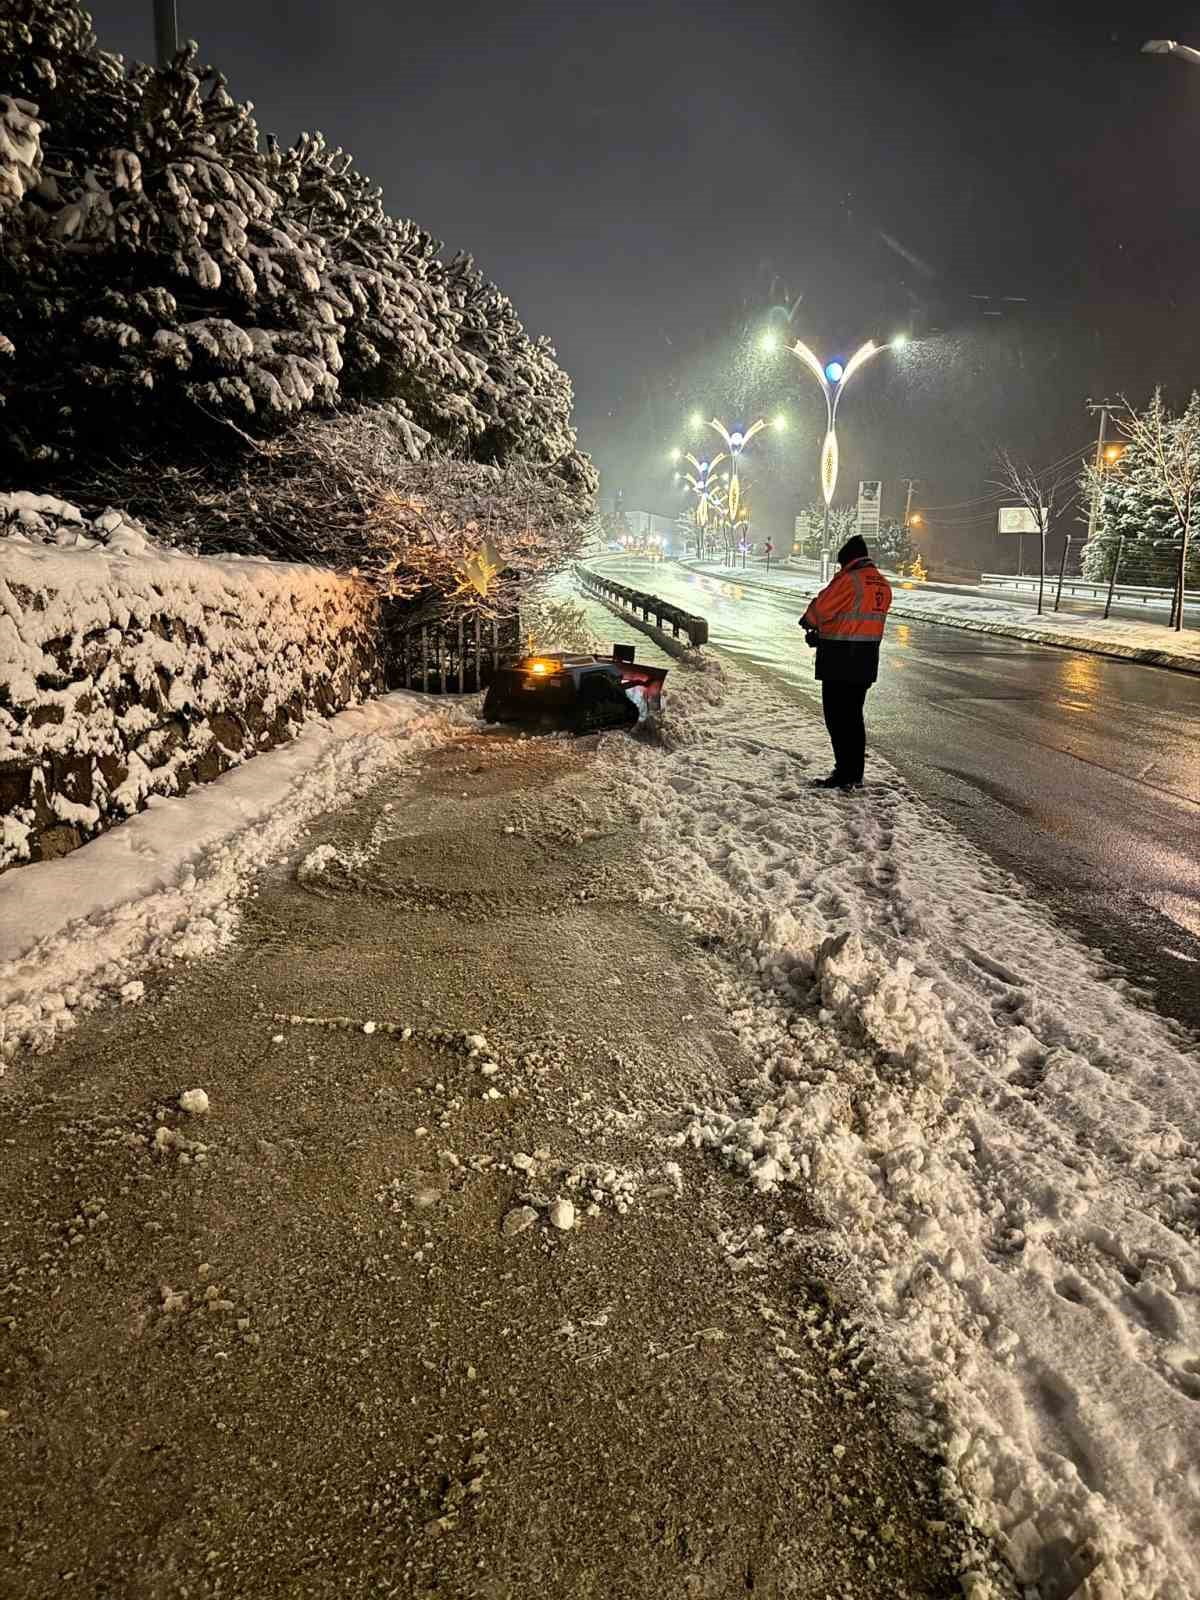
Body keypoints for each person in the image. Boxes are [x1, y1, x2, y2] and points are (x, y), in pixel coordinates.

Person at [799, 534, 892, 791]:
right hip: (866, 660)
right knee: (853, 717)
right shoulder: (882, 584)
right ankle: (854, 773)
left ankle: (844, 773)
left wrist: (809, 624)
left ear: (848, 560)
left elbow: (821, 610)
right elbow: (855, 622)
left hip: (841, 660)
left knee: (837, 718)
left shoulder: (850, 580)